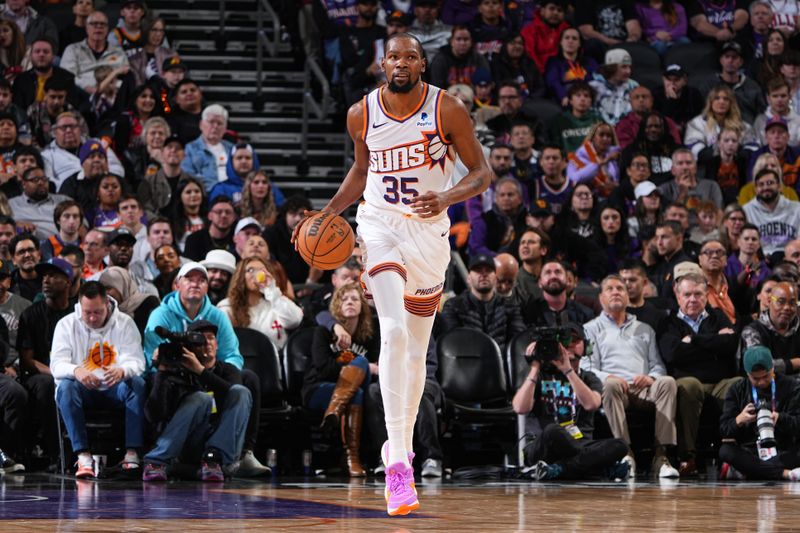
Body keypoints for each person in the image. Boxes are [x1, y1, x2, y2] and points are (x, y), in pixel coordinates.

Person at [292, 32, 491, 516]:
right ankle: (399, 461)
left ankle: (397, 448)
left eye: (410, 56)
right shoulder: (361, 113)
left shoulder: (447, 110)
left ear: (422, 63)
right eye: (393, 56)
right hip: (379, 226)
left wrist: (445, 198)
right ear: (383, 63)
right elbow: (362, 173)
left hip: (429, 236)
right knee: (395, 330)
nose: (400, 62)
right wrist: (331, 213)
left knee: (417, 352)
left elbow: (481, 173)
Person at [582, 275, 679, 478]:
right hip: (615, 389)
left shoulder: (645, 329)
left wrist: (651, 378)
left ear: (628, 297)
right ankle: (625, 453)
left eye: (621, 288)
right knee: (609, 387)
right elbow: (588, 367)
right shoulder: (591, 329)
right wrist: (610, 377)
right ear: (601, 298)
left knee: (668, 382)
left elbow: (658, 366)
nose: (616, 291)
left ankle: (661, 456)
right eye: (610, 289)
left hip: (643, 388)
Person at [51, 280, 146, 478]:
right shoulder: (66, 324)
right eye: (87, 313)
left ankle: (132, 454)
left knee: (137, 384)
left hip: (114, 388)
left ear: (107, 305)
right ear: (80, 306)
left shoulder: (125, 323)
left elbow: (137, 361)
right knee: (65, 388)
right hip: (83, 389)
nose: (92, 318)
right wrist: (76, 370)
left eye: (97, 312)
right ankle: (83, 456)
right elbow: (57, 365)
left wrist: (123, 370)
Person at [513, 321, 630, 480]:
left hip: (580, 442)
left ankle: (559, 469)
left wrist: (567, 370)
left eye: (575, 341)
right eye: (564, 341)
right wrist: (534, 368)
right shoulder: (540, 376)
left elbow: (591, 404)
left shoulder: (589, 378)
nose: (569, 346)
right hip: (544, 445)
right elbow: (520, 407)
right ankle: (596, 469)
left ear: (586, 347)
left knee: (621, 445)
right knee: (553, 430)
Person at [142, 319, 252, 482]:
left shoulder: (228, 370)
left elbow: (236, 397)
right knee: (201, 398)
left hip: (223, 451)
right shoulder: (177, 371)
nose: (207, 342)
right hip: (188, 447)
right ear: (190, 347)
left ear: (217, 345)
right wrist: (162, 373)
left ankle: (213, 458)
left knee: (241, 391)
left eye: (211, 338)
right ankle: (158, 461)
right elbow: (153, 415)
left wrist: (201, 371)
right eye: (201, 339)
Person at [657, 272, 741, 476]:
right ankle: (688, 457)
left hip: (719, 381)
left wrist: (693, 341)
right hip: (687, 382)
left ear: (706, 296)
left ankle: (734, 456)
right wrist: (713, 343)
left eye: (698, 294)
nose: (692, 299)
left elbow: (730, 345)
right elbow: (672, 353)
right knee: (690, 385)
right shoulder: (668, 323)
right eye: (687, 295)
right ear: (678, 297)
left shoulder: (718, 316)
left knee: (738, 384)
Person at [718, 345, 800, 481]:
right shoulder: (737, 389)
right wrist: (739, 420)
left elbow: (798, 424)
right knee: (725, 451)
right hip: (750, 450)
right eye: (755, 379)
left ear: (773, 368)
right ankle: (784, 474)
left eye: (766, 376)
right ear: (747, 374)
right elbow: (724, 429)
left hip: (782, 449)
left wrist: (780, 418)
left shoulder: (791, 387)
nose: (761, 382)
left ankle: (748, 470)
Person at [440, 253, 525, 351]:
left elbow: (518, 341)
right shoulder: (453, 306)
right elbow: (450, 342)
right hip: (466, 362)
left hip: (501, 363)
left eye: (488, 270)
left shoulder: (509, 307)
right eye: (478, 270)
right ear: (469, 278)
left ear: (496, 277)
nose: (483, 274)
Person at [217, 256, 303, 350]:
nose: (257, 274)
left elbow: (294, 321)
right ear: (241, 276)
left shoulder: (275, 301)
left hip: (275, 360)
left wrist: (271, 290)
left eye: (262, 270)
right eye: (250, 270)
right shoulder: (227, 306)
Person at [697, 41, 765, 124]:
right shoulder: (708, 85)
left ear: (741, 62)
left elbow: (761, 115)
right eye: (727, 56)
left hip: (746, 131)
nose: (730, 60)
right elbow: (702, 113)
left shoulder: (753, 87)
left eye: (734, 57)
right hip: (714, 129)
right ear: (721, 60)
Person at [741, 281, 800, 376]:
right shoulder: (752, 331)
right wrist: (794, 363)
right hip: (767, 387)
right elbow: (759, 366)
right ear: (769, 302)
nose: (787, 307)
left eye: (792, 303)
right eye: (781, 302)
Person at [60, 11, 128, 93]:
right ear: (87, 28)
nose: (99, 27)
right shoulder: (72, 50)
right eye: (94, 24)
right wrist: (85, 86)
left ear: (107, 29)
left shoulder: (118, 52)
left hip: (111, 94)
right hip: (81, 93)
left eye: (103, 24)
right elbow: (66, 77)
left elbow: (126, 75)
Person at [684, 85, 752, 163]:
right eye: (717, 98)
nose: (721, 102)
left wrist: (737, 155)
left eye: (726, 99)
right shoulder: (696, 124)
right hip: (707, 167)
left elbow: (752, 147)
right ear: (710, 102)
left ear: (731, 103)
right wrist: (722, 153)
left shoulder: (742, 125)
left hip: (737, 166)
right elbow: (695, 151)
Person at [743, 168, 800, 257]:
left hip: (790, 259)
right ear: (756, 189)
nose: (765, 187)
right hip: (759, 259)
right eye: (761, 184)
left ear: (779, 185)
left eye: (770, 183)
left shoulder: (797, 208)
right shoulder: (747, 210)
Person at [521, 259, 594, 327]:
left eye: (558, 272)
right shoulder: (527, 313)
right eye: (548, 272)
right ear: (540, 282)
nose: (553, 276)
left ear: (567, 280)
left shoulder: (585, 314)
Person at [181, 105, 233, 193]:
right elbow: (188, 177)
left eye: (219, 123)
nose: (215, 126)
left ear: (225, 128)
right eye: (211, 122)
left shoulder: (232, 149)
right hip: (205, 195)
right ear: (201, 125)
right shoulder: (190, 149)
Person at [8, 166, 71, 241]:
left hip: (64, 245)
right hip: (27, 247)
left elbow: (82, 225)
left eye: (44, 179)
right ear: (24, 184)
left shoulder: (63, 200)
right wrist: (14, 224)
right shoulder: (11, 204)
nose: (41, 183)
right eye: (35, 180)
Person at [543, 27, 598, 107]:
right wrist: (563, 96)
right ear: (561, 42)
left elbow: (597, 80)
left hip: (587, 101)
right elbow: (553, 82)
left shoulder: (590, 62)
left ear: (579, 44)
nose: (570, 41)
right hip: (564, 102)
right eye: (567, 38)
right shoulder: (553, 62)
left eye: (574, 38)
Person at [99, 266, 160, 337]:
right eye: (102, 290)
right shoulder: (106, 311)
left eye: (108, 288)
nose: (105, 294)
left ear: (122, 287)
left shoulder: (149, 302)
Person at [566, 121, 620, 197]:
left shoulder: (615, 156)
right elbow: (573, 179)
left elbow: (617, 180)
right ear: (593, 137)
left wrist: (615, 186)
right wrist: (603, 162)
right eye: (601, 135)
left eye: (608, 136)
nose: (605, 138)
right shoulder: (577, 157)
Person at [183, 195, 236, 261]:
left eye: (228, 212)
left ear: (234, 217)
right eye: (219, 212)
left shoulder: (238, 239)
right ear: (210, 215)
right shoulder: (194, 240)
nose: (223, 215)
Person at [520, 0, 569, 73]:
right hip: (538, 74)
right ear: (542, 11)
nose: (555, 13)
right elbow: (530, 56)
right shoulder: (528, 31)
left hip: (564, 73)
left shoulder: (568, 31)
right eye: (551, 9)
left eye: (559, 10)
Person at [652, 63, 704, 130]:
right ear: (663, 79)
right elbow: (658, 120)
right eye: (668, 79)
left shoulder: (693, 94)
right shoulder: (656, 94)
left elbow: (699, 118)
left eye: (676, 79)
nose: (672, 83)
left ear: (685, 80)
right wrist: (671, 101)